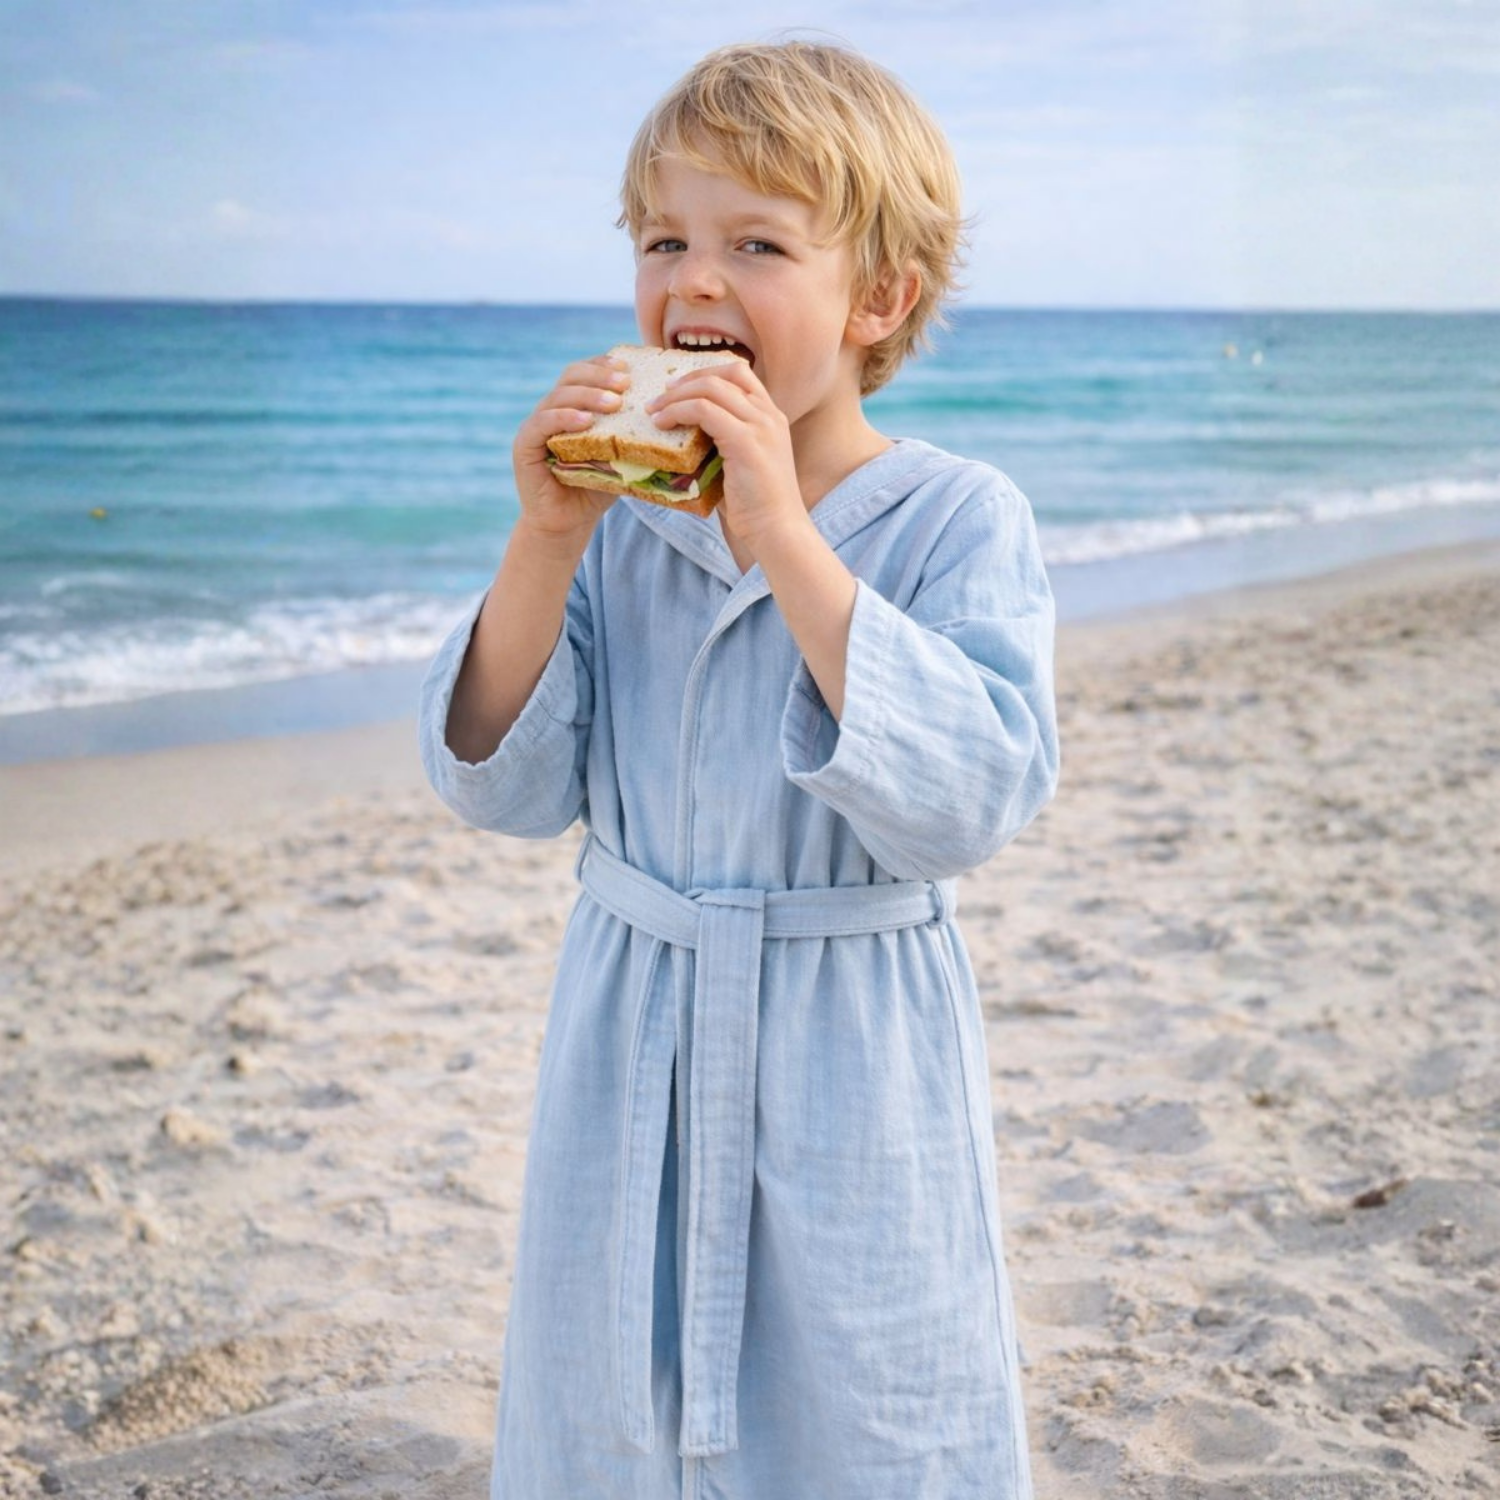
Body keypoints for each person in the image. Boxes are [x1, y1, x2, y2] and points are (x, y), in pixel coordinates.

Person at [420, 39, 1058, 1500]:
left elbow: (975, 794)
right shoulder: (617, 525)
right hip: (631, 1022)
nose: (695, 283)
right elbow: (502, 788)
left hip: (851, 1037)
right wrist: (545, 538)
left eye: (756, 244)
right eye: (666, 241)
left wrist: (784, 534)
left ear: (878, 297)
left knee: (868, 1399)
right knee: (611, 1401)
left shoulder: (959, 517)